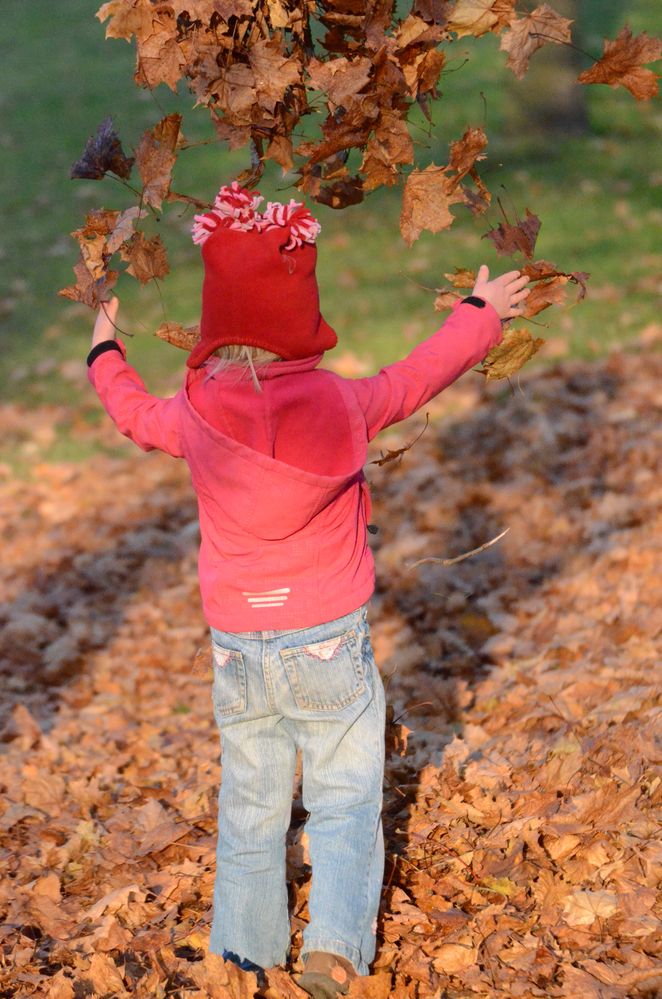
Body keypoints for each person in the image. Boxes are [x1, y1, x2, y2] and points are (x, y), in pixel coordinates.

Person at [86, 181, 529, 998]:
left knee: (252, 798)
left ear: (219, 320)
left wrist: (103, 349)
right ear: (304, 313)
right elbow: (417, 375)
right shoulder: (339, 403)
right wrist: (478, 309)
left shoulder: (195, 408)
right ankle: (331, 949)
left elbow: (130, 413)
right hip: (326, 633)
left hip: (236, 647)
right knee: (345, 794)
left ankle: (249, 955)